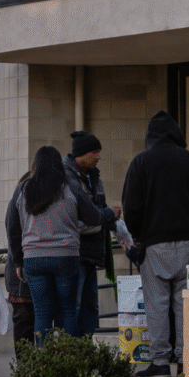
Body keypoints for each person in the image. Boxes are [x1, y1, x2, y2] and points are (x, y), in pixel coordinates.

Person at [122, 111, 189, 377]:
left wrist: (138, 235)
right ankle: (188, 360)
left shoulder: (141, 162)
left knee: (157, 304)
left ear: (150, 136)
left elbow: (131, 206)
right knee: (184, 303)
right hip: (187, 242)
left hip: (153, 243)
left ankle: (160, 362)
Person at [7, 145, 112, 341]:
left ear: (36, 166)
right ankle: (69, 361)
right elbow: (93, 217)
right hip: (65, 257)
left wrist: (19, 261)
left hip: (34, 259)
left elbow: (12, 228)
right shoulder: (70, 188)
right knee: (68, 311)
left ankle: (42, 364)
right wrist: (109, 213)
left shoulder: (22, 190)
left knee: (42, 313)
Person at [63, 130, 121, 337]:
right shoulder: (67, 178)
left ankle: (83, 353)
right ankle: (71, 354)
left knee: (90, 308)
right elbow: (74, 221)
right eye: (94, 152)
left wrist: (116, 227)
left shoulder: (93, 177)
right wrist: (105, 218)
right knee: (74, 307)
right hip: (74, 254)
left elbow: (99, 211)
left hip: (91, 253)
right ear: (81, 153)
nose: (98, 156)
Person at [3, 172, 35, 357]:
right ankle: (26, 367)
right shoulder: (22, 195)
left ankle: (28, 367)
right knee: (24, 320)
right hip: (20, 272)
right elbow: (13, 230)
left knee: (26, 321)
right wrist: (19, 261)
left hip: (21, 268)